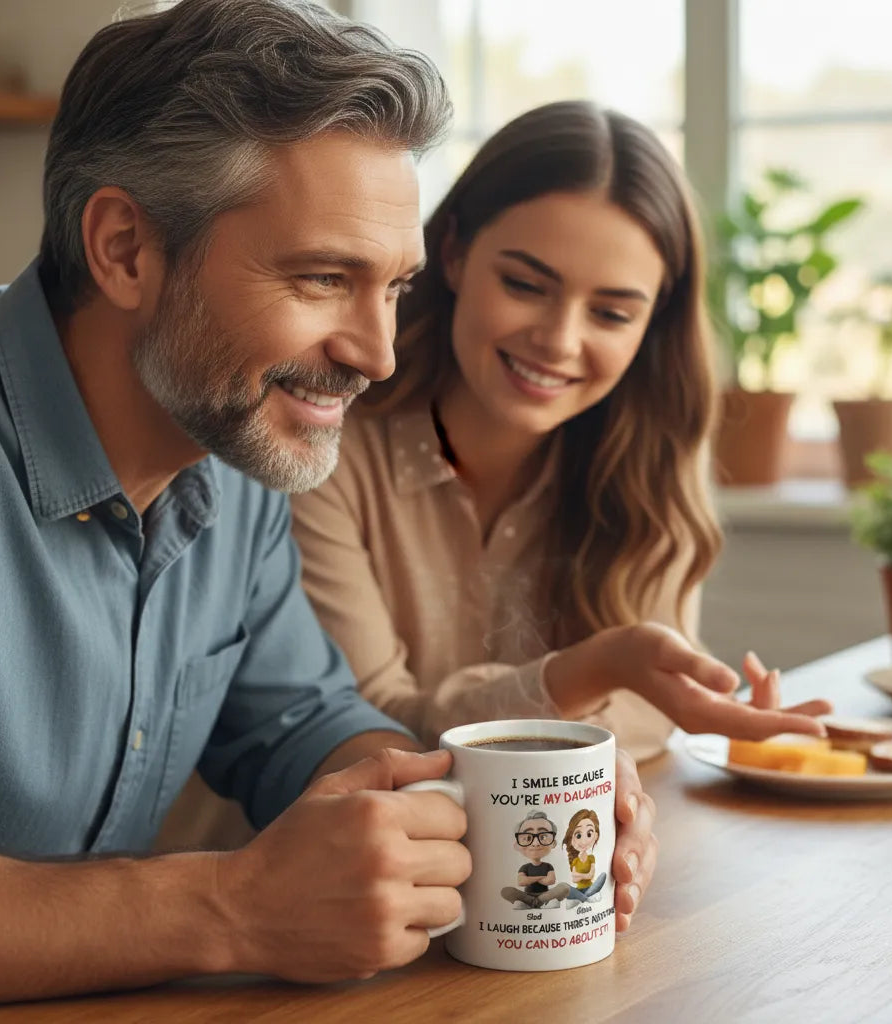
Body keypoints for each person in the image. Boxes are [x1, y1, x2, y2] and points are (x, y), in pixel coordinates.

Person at [0, 3, 661, 1005]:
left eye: (393, 287)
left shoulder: (230, 454)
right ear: (124, 248)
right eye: (325, 277)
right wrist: (233, 907)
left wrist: (496, 802)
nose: (378, 353)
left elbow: (300, 724)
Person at [291, 101, 831, 759]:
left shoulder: (645, 463)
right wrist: (596, 671)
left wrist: (631, 687)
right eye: (525, 284)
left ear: (651, 326)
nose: (559, 341)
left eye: (610, 313)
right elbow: (371, 733)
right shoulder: (324, 443)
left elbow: (648, 719)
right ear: (455, 254)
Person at [500, 812, 570, 910]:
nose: (536, 843)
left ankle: (531, 904)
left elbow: (550, 880)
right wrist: (541, 877)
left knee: (565, 887)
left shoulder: (548, 866)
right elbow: (521, 882)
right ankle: (540, 903)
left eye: (543, 837)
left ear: (553, 843)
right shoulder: (525, 867)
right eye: (527, 838)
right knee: (506, 891)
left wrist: (530, 879)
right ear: (517, 844)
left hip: (545, 894)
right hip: (527, 895)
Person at [562, 809, 607, 908]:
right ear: (572, 839)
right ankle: (586, 898)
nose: (584, 841)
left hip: (590, 887)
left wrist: (581, 876)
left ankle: (581, 898)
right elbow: (574, 878)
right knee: (564, 887)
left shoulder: (591, 858)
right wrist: (585, 875)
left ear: (595, 836)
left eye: (589, 834)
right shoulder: (575, 861)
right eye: (578, 835)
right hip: (579, 889)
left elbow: (591, 875)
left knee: (603, 876)